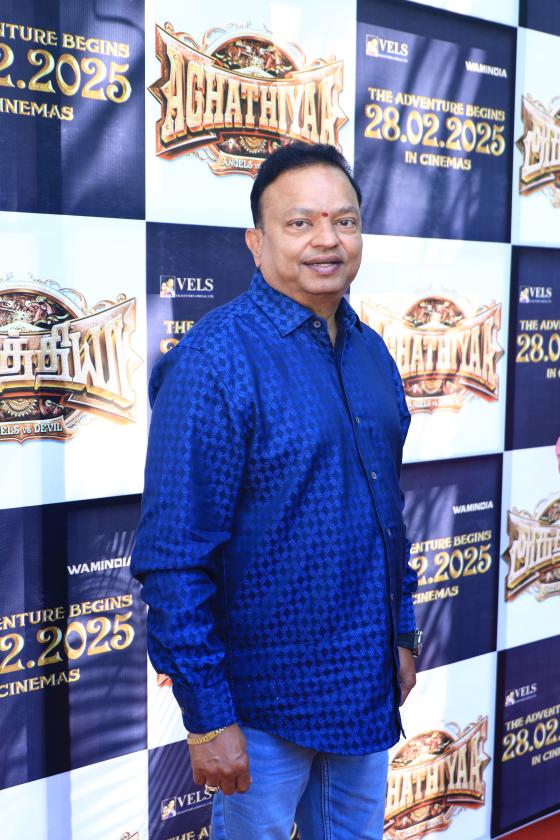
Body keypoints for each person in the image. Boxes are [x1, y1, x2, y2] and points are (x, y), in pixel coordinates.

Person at [132, 142, 421, 839]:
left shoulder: (372, 351)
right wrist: (208, 718)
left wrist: (401, 632)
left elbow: (387, 513)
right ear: (256, 243)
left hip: (364, 687)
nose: (327, 239)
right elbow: (173, 556)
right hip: (261, 708)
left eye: (344, 221)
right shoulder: (214, 361)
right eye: (300, 223)